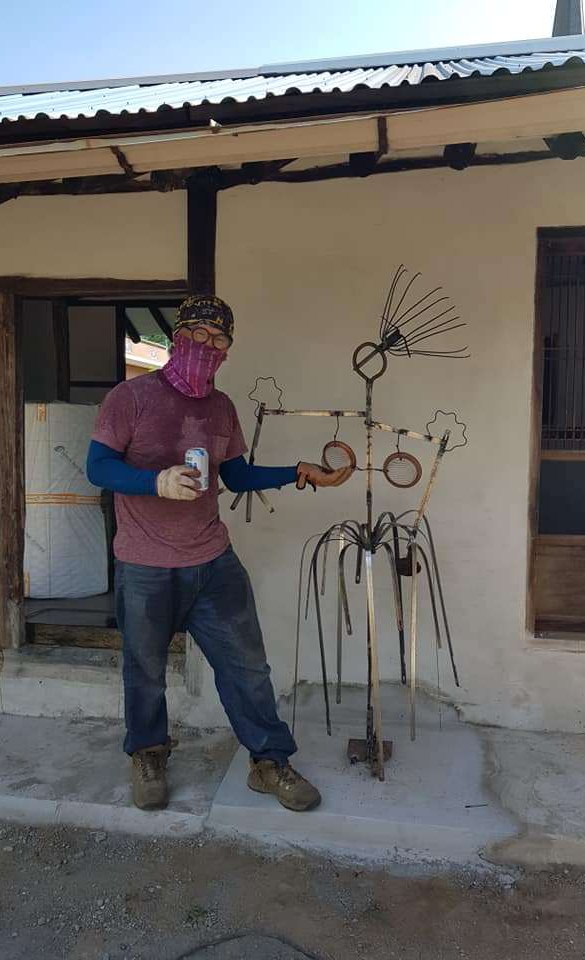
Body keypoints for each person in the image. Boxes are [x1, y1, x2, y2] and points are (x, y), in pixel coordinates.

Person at [86, 295, 350, 813]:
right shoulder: (130, 397)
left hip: (212, 562)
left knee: (247, 668)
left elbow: (236, 475)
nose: (207, 345)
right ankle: (148, 754)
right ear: (177, 337)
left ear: (228, 348)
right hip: (145, 564)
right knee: (145, 671)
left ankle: (269, 762)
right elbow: (98, 467)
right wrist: (156, 481)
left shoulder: (222, 407)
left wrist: (298, 472)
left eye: (219, 338)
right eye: (197, 334)